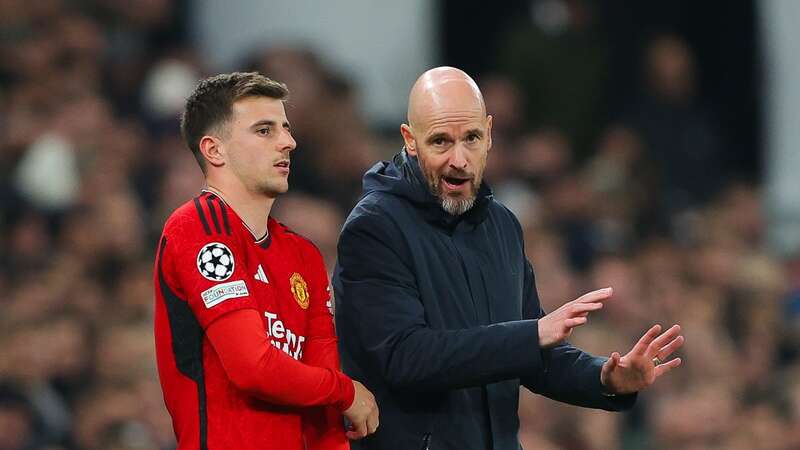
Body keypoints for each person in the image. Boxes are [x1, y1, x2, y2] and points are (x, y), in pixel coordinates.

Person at [333, 67, 684, 450]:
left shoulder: (501, 225)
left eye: (471, 138)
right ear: (410, 140)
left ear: (489, 134)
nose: (459, 159)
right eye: (440, 142)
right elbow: (405, 357)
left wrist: (604, 378)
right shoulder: (375, 229)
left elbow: (533, 354)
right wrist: (531, 335)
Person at [153, 72, 378, 450]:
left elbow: (323, 402)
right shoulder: (197, 227)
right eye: (264, 130)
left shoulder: (302, 255)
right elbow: (252, 367)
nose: (288, 142)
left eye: (286, 129)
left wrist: (339, 398)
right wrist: (346, 390)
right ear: (214, 150)